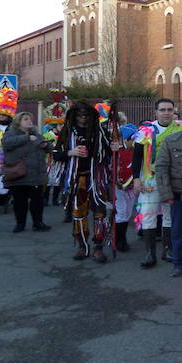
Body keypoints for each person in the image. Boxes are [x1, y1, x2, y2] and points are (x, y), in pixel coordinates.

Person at [52, 102, 116, 262]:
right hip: (76, 179)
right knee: (78, 213)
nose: (83, 118)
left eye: (86, 115)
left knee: (100, 213)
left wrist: (114, 147)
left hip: (96, 178)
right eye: (80, 115)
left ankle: (98, 246)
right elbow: (55, 153)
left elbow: (109, 152)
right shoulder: (67, 132)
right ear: (74, 116)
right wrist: (70, 152)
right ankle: (82, 245)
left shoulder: (99, 131)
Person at [133, 98, 182, 268]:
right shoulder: (146, 131)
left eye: (170, 109)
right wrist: (136, 178)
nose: (166, 113)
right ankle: (149, 253)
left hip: (172, 179)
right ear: (156, 112)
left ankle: (167, 250)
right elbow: (137, 156)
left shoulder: (180, 128)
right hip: (151, 178)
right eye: (162, 110)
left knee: (169, 215)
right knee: (148, 214)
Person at [155, 108, 182, 277]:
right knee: (178, 231)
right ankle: (179, 263)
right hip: (179, 195)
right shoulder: (172, 141)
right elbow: (161, 167)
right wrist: (165, 193)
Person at [2, 111, 54, 233]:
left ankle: (38, 223)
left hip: (35, 174)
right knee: (20, 201)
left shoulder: (36, 133)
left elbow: (50, 148)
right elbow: (6, 144)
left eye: (30, 119)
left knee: (37, 201)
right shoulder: (11, 133)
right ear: (18, 122)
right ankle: (20, 224)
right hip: (19, 173)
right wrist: (26, 138)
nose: (30, 121)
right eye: (26, 119)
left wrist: (45, 145)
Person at [113, 121, 138, 252]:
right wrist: (119, 181)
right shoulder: (117, 151)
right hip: (119, 187)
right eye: (132, 139)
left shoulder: (136, 151)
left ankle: (122, 238)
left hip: (132, 186)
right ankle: (118, 240)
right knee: (121, 212)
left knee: (128, 212)